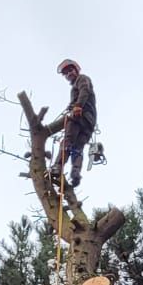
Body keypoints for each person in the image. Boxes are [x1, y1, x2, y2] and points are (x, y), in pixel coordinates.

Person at [45, 58, 97, 189]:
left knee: (67, 142)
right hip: (89, 122)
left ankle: (57, 166)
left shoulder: (82, 79)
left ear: (76, 70)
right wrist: (71, 106)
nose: (69, 74)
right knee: (77, 149)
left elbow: (84, 90)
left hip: (79, 117)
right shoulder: (77, 84)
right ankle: (75, 174)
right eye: (66, 73)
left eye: (70, 71)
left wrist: (78, 106)